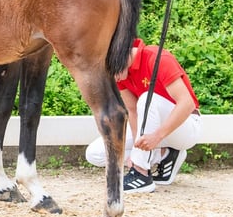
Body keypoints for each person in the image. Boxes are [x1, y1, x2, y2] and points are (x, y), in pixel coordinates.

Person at [85, 38, 201, 193]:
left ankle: (141, 174)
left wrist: (157, 137)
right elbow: (132, 111)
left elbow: (187, 103)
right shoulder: (121, 74)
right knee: (95, 153)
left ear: (121, 55)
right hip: (153, 129)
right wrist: (135, 151)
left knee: (147, 98)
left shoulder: (157, 58)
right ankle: (166, 155)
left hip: (186, 126)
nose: (114, 79)